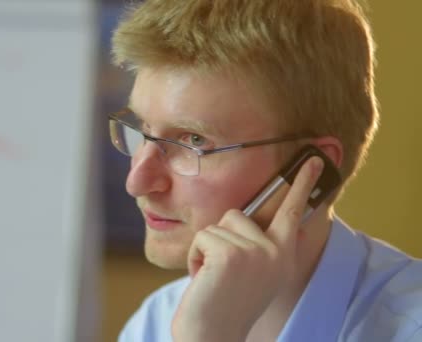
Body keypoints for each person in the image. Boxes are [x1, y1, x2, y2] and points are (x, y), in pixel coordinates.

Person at [106, 0, 422, 341]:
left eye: (193, 141)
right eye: (143, 130)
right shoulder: (155, 321)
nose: (137, 182)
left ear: (311, 170)